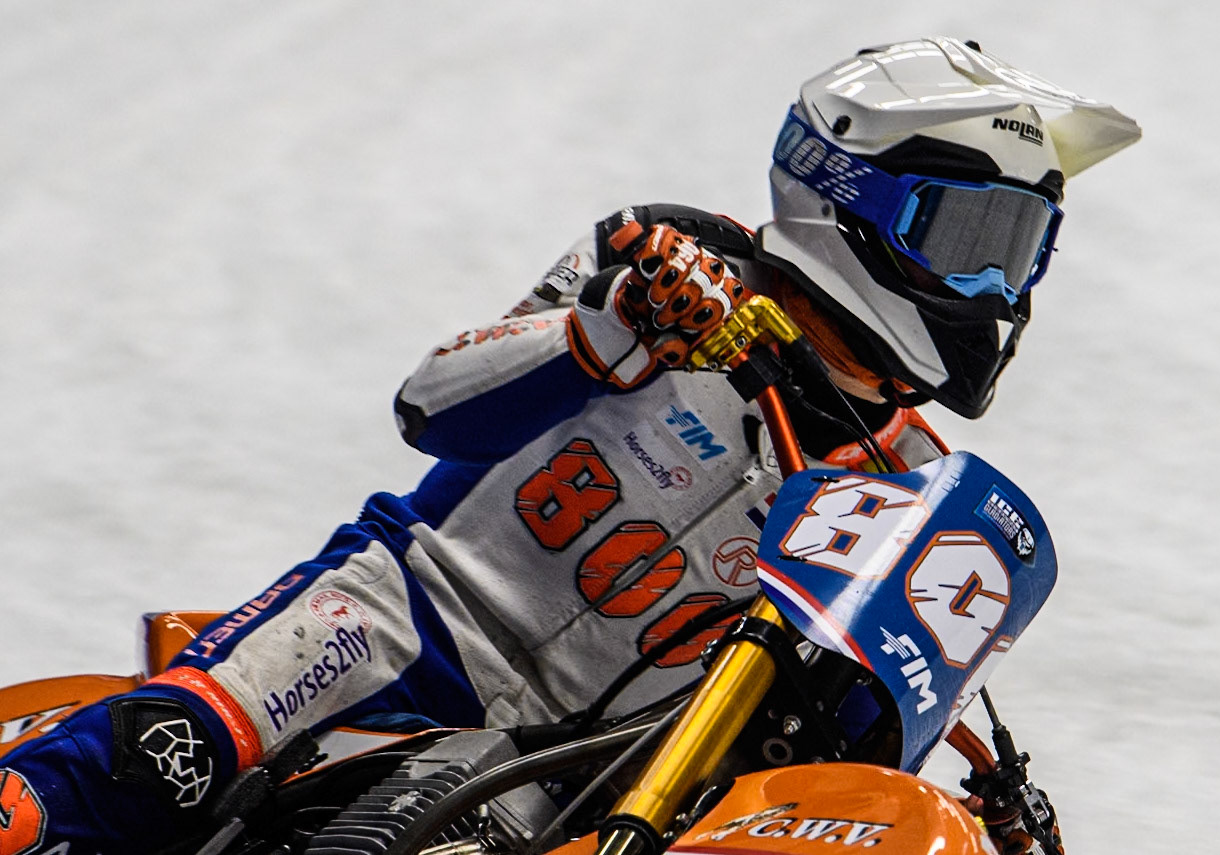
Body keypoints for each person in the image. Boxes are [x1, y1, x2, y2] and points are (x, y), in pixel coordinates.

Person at [0, 37, 1139, 854]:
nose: (994, 285)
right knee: (155, 756)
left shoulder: (909, 481)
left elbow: (854, 730)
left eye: (1019, 248)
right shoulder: (668, 260)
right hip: (410, 616)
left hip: (574, 766)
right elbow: (432, 403)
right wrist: (610, 327)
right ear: (847, 197)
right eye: (969, 236)